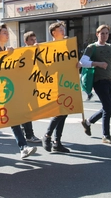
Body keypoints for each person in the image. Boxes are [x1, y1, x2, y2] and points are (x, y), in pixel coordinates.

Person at [0, 23, 37, 159]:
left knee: (12, 116)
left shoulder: (5, 48)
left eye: (7, 32)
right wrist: (5, 55)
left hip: (4, 88)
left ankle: (23, 147)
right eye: (4, 32)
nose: (7, 34)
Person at [79, 24, 111, 144]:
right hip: (98, 81)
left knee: (107, 107)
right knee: (108, 108)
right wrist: (98, 63)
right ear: (97, 34)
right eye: (102, 33)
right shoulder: (92, 47)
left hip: (109, 80)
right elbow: (82, 62)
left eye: (106, 33)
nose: (105, 35)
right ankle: (106, 136)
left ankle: (88, 122)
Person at [40, 22, 71, 153]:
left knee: (65, 112)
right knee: (60, 112)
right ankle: (47, 136)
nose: (63, 31)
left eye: (63, 29)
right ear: (54, 33)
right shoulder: (49, 47)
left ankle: (57, 142)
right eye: (60, 29)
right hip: (55, 82)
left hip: (67, 82)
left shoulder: (67, 45)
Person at [20, 31, 41, 143]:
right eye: (31, 40)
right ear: (26, 41)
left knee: (32, 109)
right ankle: (29, 134)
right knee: (27, 109)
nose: (34, 42)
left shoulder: (35, 51)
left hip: (32, 82)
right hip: (23, 84)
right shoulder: (22, 53)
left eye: (35, 39)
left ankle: (24, 128)